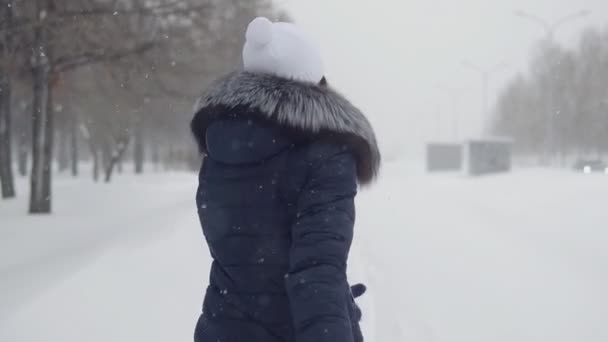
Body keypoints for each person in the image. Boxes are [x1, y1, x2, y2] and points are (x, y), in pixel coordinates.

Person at [191, 16, 380, 342]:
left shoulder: (221, 144)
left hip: (221, 327)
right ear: (312, 75)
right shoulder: (327, 153)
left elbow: (243, 256)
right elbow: (317, 273)